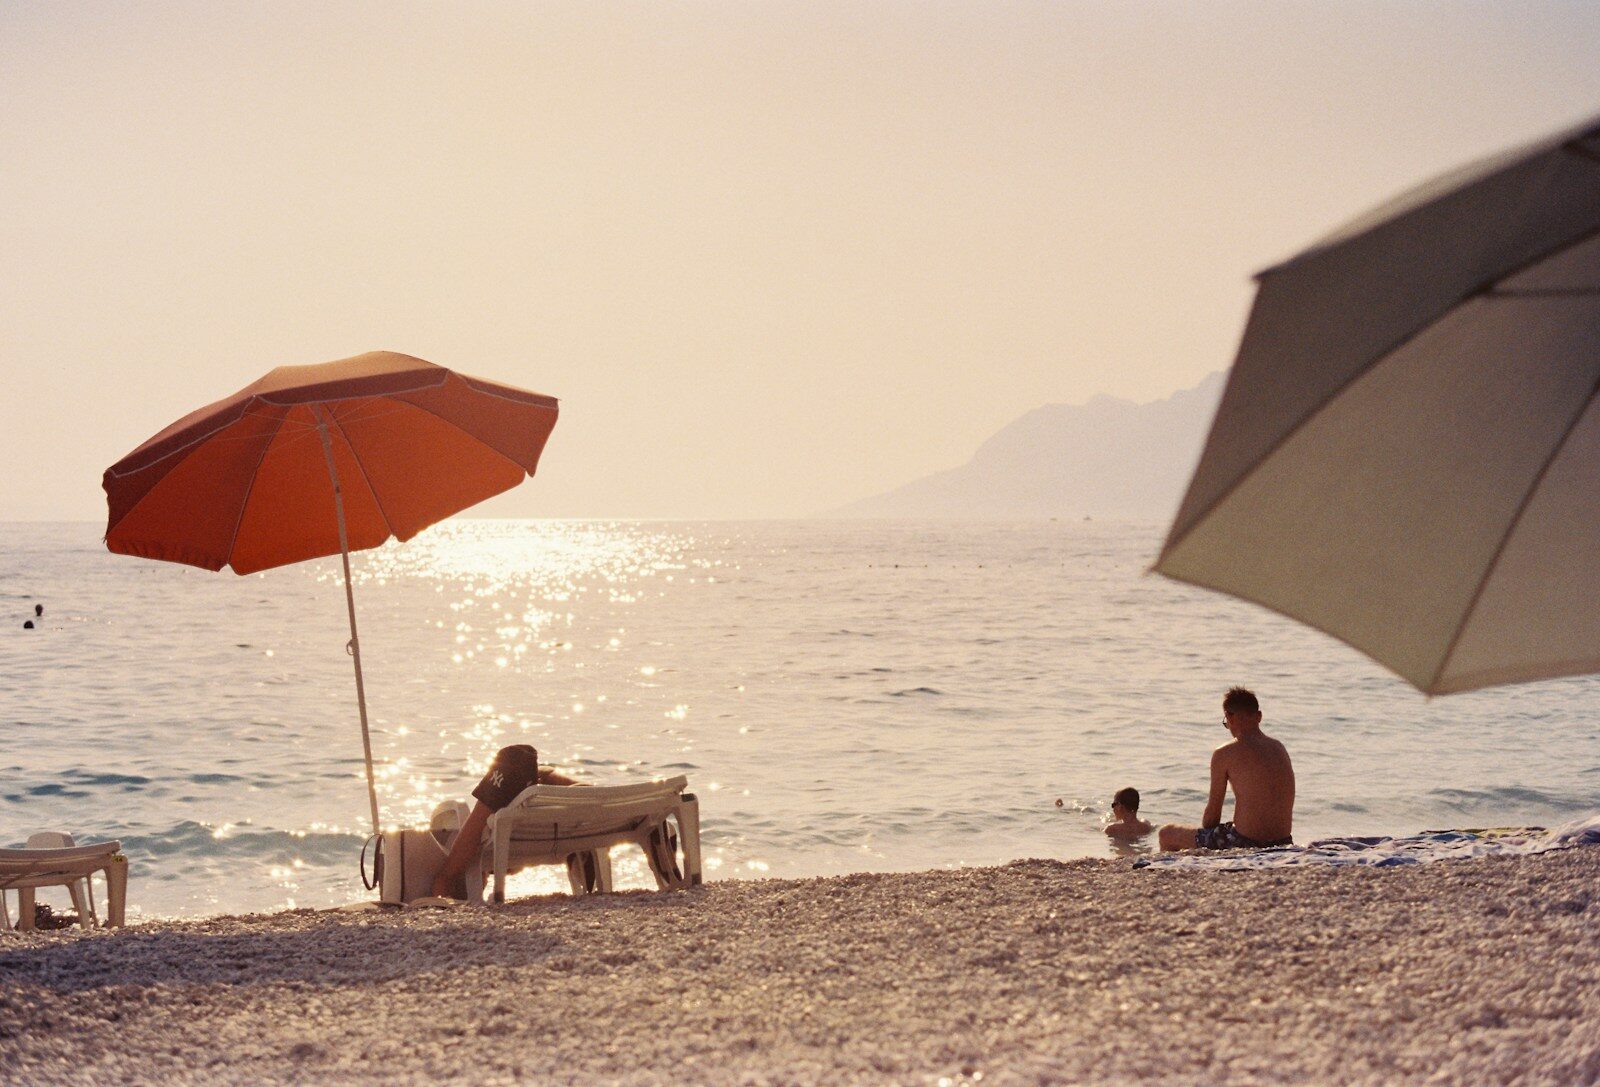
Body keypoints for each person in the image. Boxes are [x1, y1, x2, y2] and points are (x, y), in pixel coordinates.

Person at [431, 744, 582, 899]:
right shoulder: (589, 811)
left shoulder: (509, 775)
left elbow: (476, 827)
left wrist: (446, 874)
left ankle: (447, 877)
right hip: (559, 838)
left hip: (516, 841)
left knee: (479, 827)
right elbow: (584, 790)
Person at [1158, 687, 1294, 851]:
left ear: (1229, 717)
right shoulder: (1278, 747)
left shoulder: (1224, 753)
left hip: (1245, 842)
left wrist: (1206, 834)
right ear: (1259, 716)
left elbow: (1212, 816)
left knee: (1166, 834)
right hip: (1283, 842)